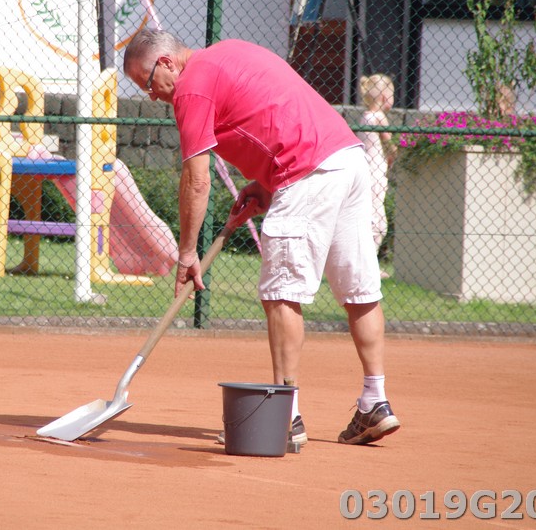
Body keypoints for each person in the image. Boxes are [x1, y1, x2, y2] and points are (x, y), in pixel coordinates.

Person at [122, 29, 400, 446]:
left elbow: (197, 181)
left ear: (166, 64)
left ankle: (285, 417)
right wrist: (266, 184)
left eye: (147, 83)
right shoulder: (232, 51)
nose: (151, 95)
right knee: (359, 288)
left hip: (306, 171)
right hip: (346, 159)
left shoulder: (191, 87)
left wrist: (187, 252)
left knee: (282, 292)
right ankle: (375, 401)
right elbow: (277, 112)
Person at [357, 74, 397, 279]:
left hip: (365, 171)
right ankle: (369, 267)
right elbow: (390, 145)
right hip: (376, 174)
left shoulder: (364, 116)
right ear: (383, 96)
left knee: (367, 217)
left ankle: (363, 264)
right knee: (378, 222)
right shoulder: (379, 117)